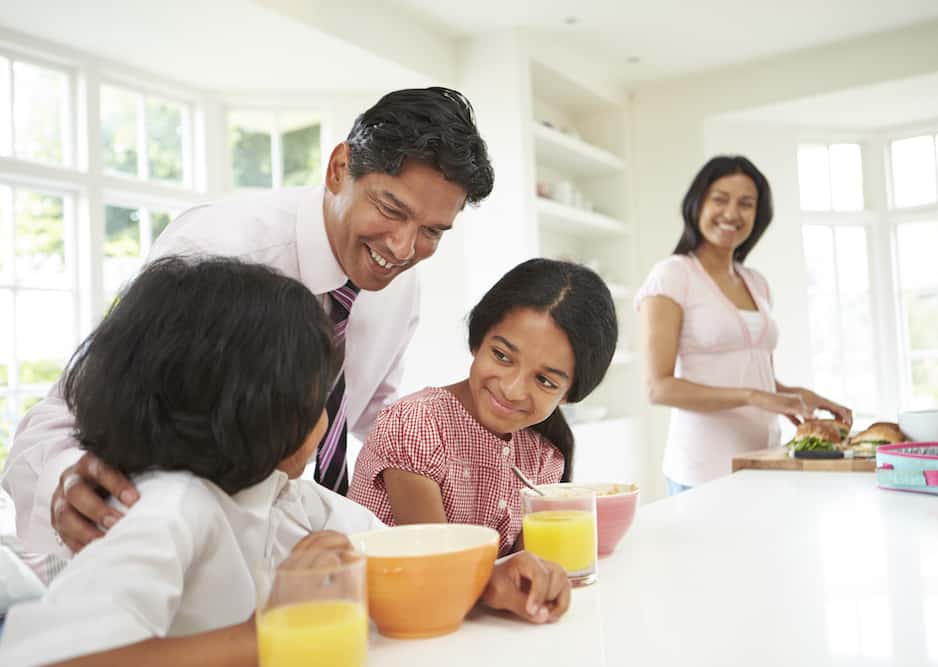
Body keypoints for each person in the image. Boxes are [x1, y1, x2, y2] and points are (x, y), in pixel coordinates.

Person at [0, 257, 571, 667]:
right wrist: (271, 631)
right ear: (253, 414)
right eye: (318, 398)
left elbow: (405, 553)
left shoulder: (288, 495)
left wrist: (489, 582)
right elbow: (49, 660)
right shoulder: (168, 508)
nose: (327, 422)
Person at [1, 86, 495, 555]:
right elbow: (74, 408)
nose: (404, 248)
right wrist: (67, 477)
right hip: (146, 540)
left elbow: (370, 412)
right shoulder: (216, 249)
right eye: (391, 209)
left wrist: (475, 418)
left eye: (432, 231)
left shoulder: (398, 285)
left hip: (280, 543)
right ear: (339, 169)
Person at [348, 258, 618, 554]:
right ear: (478, 340)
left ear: (568, 394)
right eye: (502, 356)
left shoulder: (544, 458)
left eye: (544, 380)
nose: (512, 389)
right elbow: (441, 568)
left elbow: (525, 570)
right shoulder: (416, 426)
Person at [635, 155, 852, 495]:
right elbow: (658, 388)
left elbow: (754, 375)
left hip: (765, 460)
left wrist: (799, 397)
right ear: (697, 204)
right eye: (720, 199)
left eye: (746, 204)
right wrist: (754, 397)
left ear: (758, 215)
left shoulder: (756, 282)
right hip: (703, 471)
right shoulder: (673, 275)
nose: (732, 213)